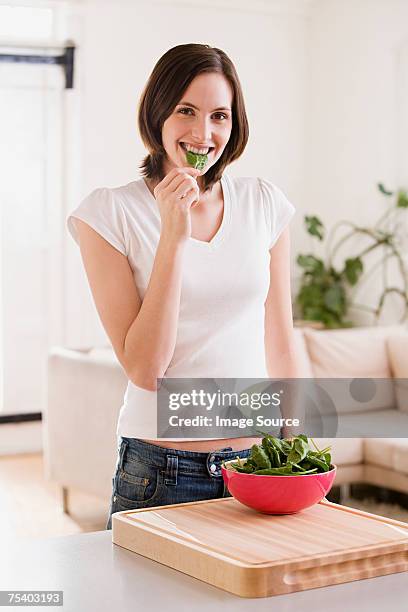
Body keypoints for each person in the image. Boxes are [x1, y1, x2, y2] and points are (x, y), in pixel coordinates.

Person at [67, 43, 300, 530]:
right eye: (186, 111)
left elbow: (280, 339)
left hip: (257, 466)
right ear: (158, 115)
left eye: (220, 115)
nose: (203, 133)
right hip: (161, 473)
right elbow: (146, 368)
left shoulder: (265, 205)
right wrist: (173, 234)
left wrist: (300, 450)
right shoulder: (108, 215)